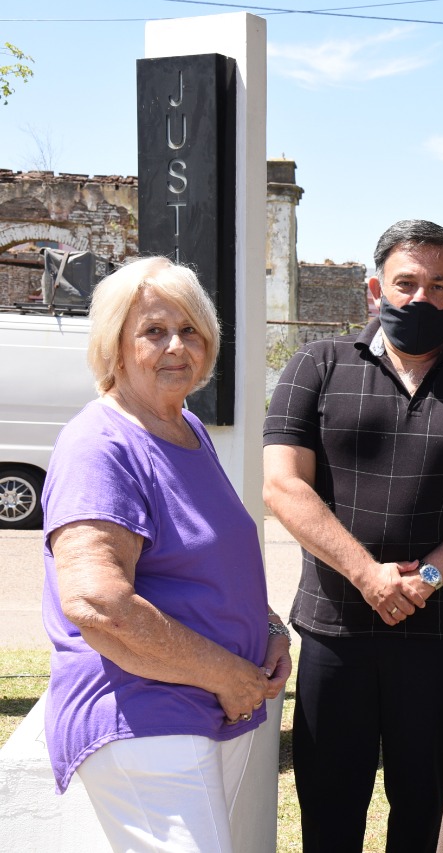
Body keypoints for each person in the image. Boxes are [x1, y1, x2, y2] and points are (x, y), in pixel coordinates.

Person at [263, 219, 443, 852]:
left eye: (440, 286)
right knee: (329, 806)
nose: (421, 298)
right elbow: (283, 487)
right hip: (337, 630)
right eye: (405, 282)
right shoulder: (316, 366)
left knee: (431, 811)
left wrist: (427, 577)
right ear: (373, 291)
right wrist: (367, 575)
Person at [42, 256, 291, 853]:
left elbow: (209, 563)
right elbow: (98, 602)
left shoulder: (186, 429)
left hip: (202, 711)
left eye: (191, 331)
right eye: (154, 331)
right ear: (115, 345)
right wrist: (226, 673)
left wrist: (266, 627)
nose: (176, 346)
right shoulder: (100, 443)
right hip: (142, 715)